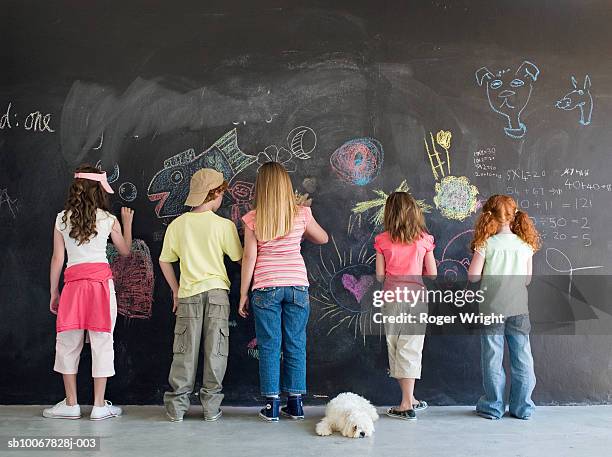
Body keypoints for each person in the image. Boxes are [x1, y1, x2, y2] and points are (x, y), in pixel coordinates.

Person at [238, 161, 328, 422]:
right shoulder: (301, 214)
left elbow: (249, 257)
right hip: (297, 286)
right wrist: (300, 234)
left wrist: (244, 293)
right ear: (287, 186)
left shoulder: (253, 218)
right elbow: (322, 238)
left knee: (269, 345)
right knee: (296, 343)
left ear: (261, 188)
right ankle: (297, 403)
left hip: (266, 286)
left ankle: (272, 406)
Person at [44, 165, 133, 420]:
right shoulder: (108, 219)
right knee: (102, 342)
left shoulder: (61, 219)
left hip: (72, 286)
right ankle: (99, 406)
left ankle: (71, 404)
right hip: (101, 287)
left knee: (68, 343)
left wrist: (54, 291)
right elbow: (125, 251)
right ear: (98, 191)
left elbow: (57, 259)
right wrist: (127, 223)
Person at [159, 168, 243, 422]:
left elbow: (165, 261)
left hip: (188, 295)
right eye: (222, 194)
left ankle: (177, 408)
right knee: (216, 350)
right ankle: (211, 407)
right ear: (216, 193)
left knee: (184, 351)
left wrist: (175, 290)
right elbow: (239, 258)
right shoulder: (224, 225)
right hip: (218, 294)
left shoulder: (178, 225)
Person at [468, 194, 540, 420]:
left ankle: (493, 407)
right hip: (519, 309)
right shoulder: (525, 245)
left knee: (492, 358)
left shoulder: (485, 244)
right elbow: (527, 279)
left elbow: (472, 277)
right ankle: (522, 407)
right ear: (513, 216)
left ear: (488, 216)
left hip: (491, 310)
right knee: (522, 357)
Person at [374, 192, 437, 421]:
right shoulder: (424, 240)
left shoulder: (382, 240)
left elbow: (380, 276)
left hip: (392, 298)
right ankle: (409, 400)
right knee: (411, 347)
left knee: (395, 346)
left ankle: (407, 402)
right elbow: (432, 273)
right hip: (417, 299)